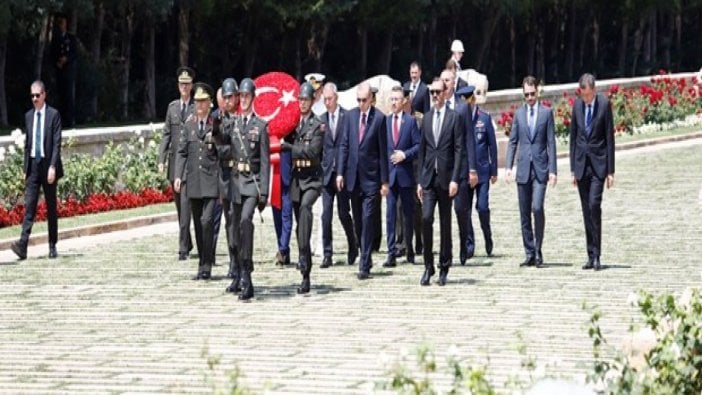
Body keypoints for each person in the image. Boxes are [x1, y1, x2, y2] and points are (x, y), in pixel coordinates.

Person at [223, 78, 270, 300]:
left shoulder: (260, 126)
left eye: (246, 96)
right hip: (235, 183)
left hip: (251, 184)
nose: (242, 99)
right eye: (240, 96)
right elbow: (221, 146)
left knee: (245, 221)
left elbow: (265, 161)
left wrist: (264, 191)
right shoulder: (232, 124)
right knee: (233, 229)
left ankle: (248, 274)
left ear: (253, 98)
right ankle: (239, 271)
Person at [337, 82, 389, 280]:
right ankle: (364, 253)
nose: (361, 104)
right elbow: (344, 146)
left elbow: (384, 152)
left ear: (371, 99)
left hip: (371, 179)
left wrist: (384, 182)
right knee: (358, 221)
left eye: (364, 100)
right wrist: (340, 173)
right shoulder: (350, 117)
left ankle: (364, 262)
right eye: (358, 100)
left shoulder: (379, 119)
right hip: (353, 178)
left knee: (368, 220)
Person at [505, 76, 557, 268]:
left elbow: (551, 142)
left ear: (538, 91)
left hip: (541, 170)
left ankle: (538, 248)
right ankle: (529, 252)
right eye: (526, 94)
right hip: (523, 170)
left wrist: (553, 170)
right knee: (524, 213)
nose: (529, 97)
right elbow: (512, 141)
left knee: (537, 208)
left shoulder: (546, 113)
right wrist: (508, 167)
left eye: (532, 94)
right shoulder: (519, 114)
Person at [417, 79, 464, 286]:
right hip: (428, 178)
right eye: (432, 92)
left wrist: (455, 178)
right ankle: (428, 265)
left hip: (446, 179)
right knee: (426, 219)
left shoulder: (454, 118)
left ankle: (445, 265)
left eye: (438, 92)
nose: (435, 95)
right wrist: (420, 180)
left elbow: (459, 150)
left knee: (445, 223)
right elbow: (422, 150)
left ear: (445, 93)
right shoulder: (426, 119)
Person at [10, 81, 64, 260]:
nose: (34, 99)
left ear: (44, 95)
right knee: (30, 206)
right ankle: (22, 245)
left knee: (50, 207)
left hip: (48, 166)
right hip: (33, 166)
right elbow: (27, 145)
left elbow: (57, 144)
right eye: (32, 96)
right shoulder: (28, 116)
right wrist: (25, 168)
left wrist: (52, 167)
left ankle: (52, 245)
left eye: (37, 95)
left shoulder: (53, 115)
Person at [280, 82, 324, 293]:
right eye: (300, 100)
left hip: (313, 180)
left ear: (312, 101)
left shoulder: (318, 125)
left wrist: (290, 147)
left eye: (305, 100)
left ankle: (305, 269)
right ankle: (303, 256)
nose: (302, 103)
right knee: (300, 225)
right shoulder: (294, 124)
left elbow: (312, 152)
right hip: (298, 179)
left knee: (306, 210)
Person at [174, 83, 220, 281]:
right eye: (197, 102)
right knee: (199, 225)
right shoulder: (189, 124)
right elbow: (182, 152)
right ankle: (202, 262)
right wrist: (178, 175)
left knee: (207, 221)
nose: (199, 106)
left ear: (210, 104)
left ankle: (208, 262)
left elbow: (221, 153)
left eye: (203, 102)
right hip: (193, 182)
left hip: (210, 181)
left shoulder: (215, 125)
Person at [570, 73, 615, 271]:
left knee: (594, 205)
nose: (585, 99)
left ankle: (597, 254)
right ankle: (589, 254)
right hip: (581, 165)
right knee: (586, 210)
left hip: (598, 164)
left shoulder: (604, 105)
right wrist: (572, 168)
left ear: (594, 91)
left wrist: (610, 171)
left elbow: (609, 139)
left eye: (587, 95)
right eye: (582, 95)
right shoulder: (577, 106)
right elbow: (573, 138)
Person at [441, 69, 478, 265]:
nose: (445, 84)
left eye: (448, 80)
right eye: (443, 80)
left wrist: (473, 169)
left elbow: (470, 139)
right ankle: (447, 251)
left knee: (461, 209)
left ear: (454, 82)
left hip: (461, 166)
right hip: (444, 168)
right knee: (445, 212)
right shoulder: (437, 107)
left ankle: (465, 242)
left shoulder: (463, 107)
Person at [158, 66, 195, 261]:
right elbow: (166, 134)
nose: (184, 87)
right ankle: (187, 241)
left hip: (189, 164)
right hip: (174, 164)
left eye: (187, 84)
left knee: (186, 205)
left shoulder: (196, 107)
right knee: (180, 208)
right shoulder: (172, 107)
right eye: (182, 84)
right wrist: (161, 159)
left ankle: (183, 249)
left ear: (191, 86)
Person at [319, 82, 357, 269]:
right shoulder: (321, 120)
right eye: (324, 99)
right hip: (327, 174)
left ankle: (353, 243)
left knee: (343, 213)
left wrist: (344, 171)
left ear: (337, 98)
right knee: (326, 215)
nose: (327, 102)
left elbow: (348, 145)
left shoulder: (347, 116)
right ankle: (327, 253)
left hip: (342, 173)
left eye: (330, 99)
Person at [457, 85, 497, 257]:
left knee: (482, 207)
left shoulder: (484, 119)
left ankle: (487, 235)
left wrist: (494, 170)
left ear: (473, 100)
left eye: (468, 100)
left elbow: (492, 146)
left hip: (482, 172)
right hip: (466, 173)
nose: (466, 104)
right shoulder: (458, 119)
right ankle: (469, 243)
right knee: (465, 210)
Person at [383, 86, 421, 267]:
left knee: (408, 214)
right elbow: (382, 151)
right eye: (392, 99)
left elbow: (418, 146)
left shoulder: (411, 122)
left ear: (403, 101)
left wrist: (404, 155)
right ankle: (391, 252)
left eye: (397, 99)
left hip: (406, 175)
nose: (394, 102)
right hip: (390, 177)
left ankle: (410, 248)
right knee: (390, 215)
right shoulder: (385, 122)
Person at [212, 79, 240, 279]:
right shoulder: (218, 121)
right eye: (226, 97)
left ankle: (241, 261)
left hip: (240, 176)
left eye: (232, 97)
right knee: (229, 220)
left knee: (240, 221)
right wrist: (233, 150)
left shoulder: (243, 119)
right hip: (225, 176)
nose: (229, 101)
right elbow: (218, 148)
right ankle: (233, 261)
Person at [50, 14, 76, 128]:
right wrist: (57, 62)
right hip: (59, 70)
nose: (61, 25)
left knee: (68, 95)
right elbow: (52, 53)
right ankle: (60, 120)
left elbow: (74, 54)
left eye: (63, 23)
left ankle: (69, 120)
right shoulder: (56, 38)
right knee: (60, 94)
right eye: (60, 23)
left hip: (68, 71)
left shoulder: (71, 38)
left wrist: (66, 59)